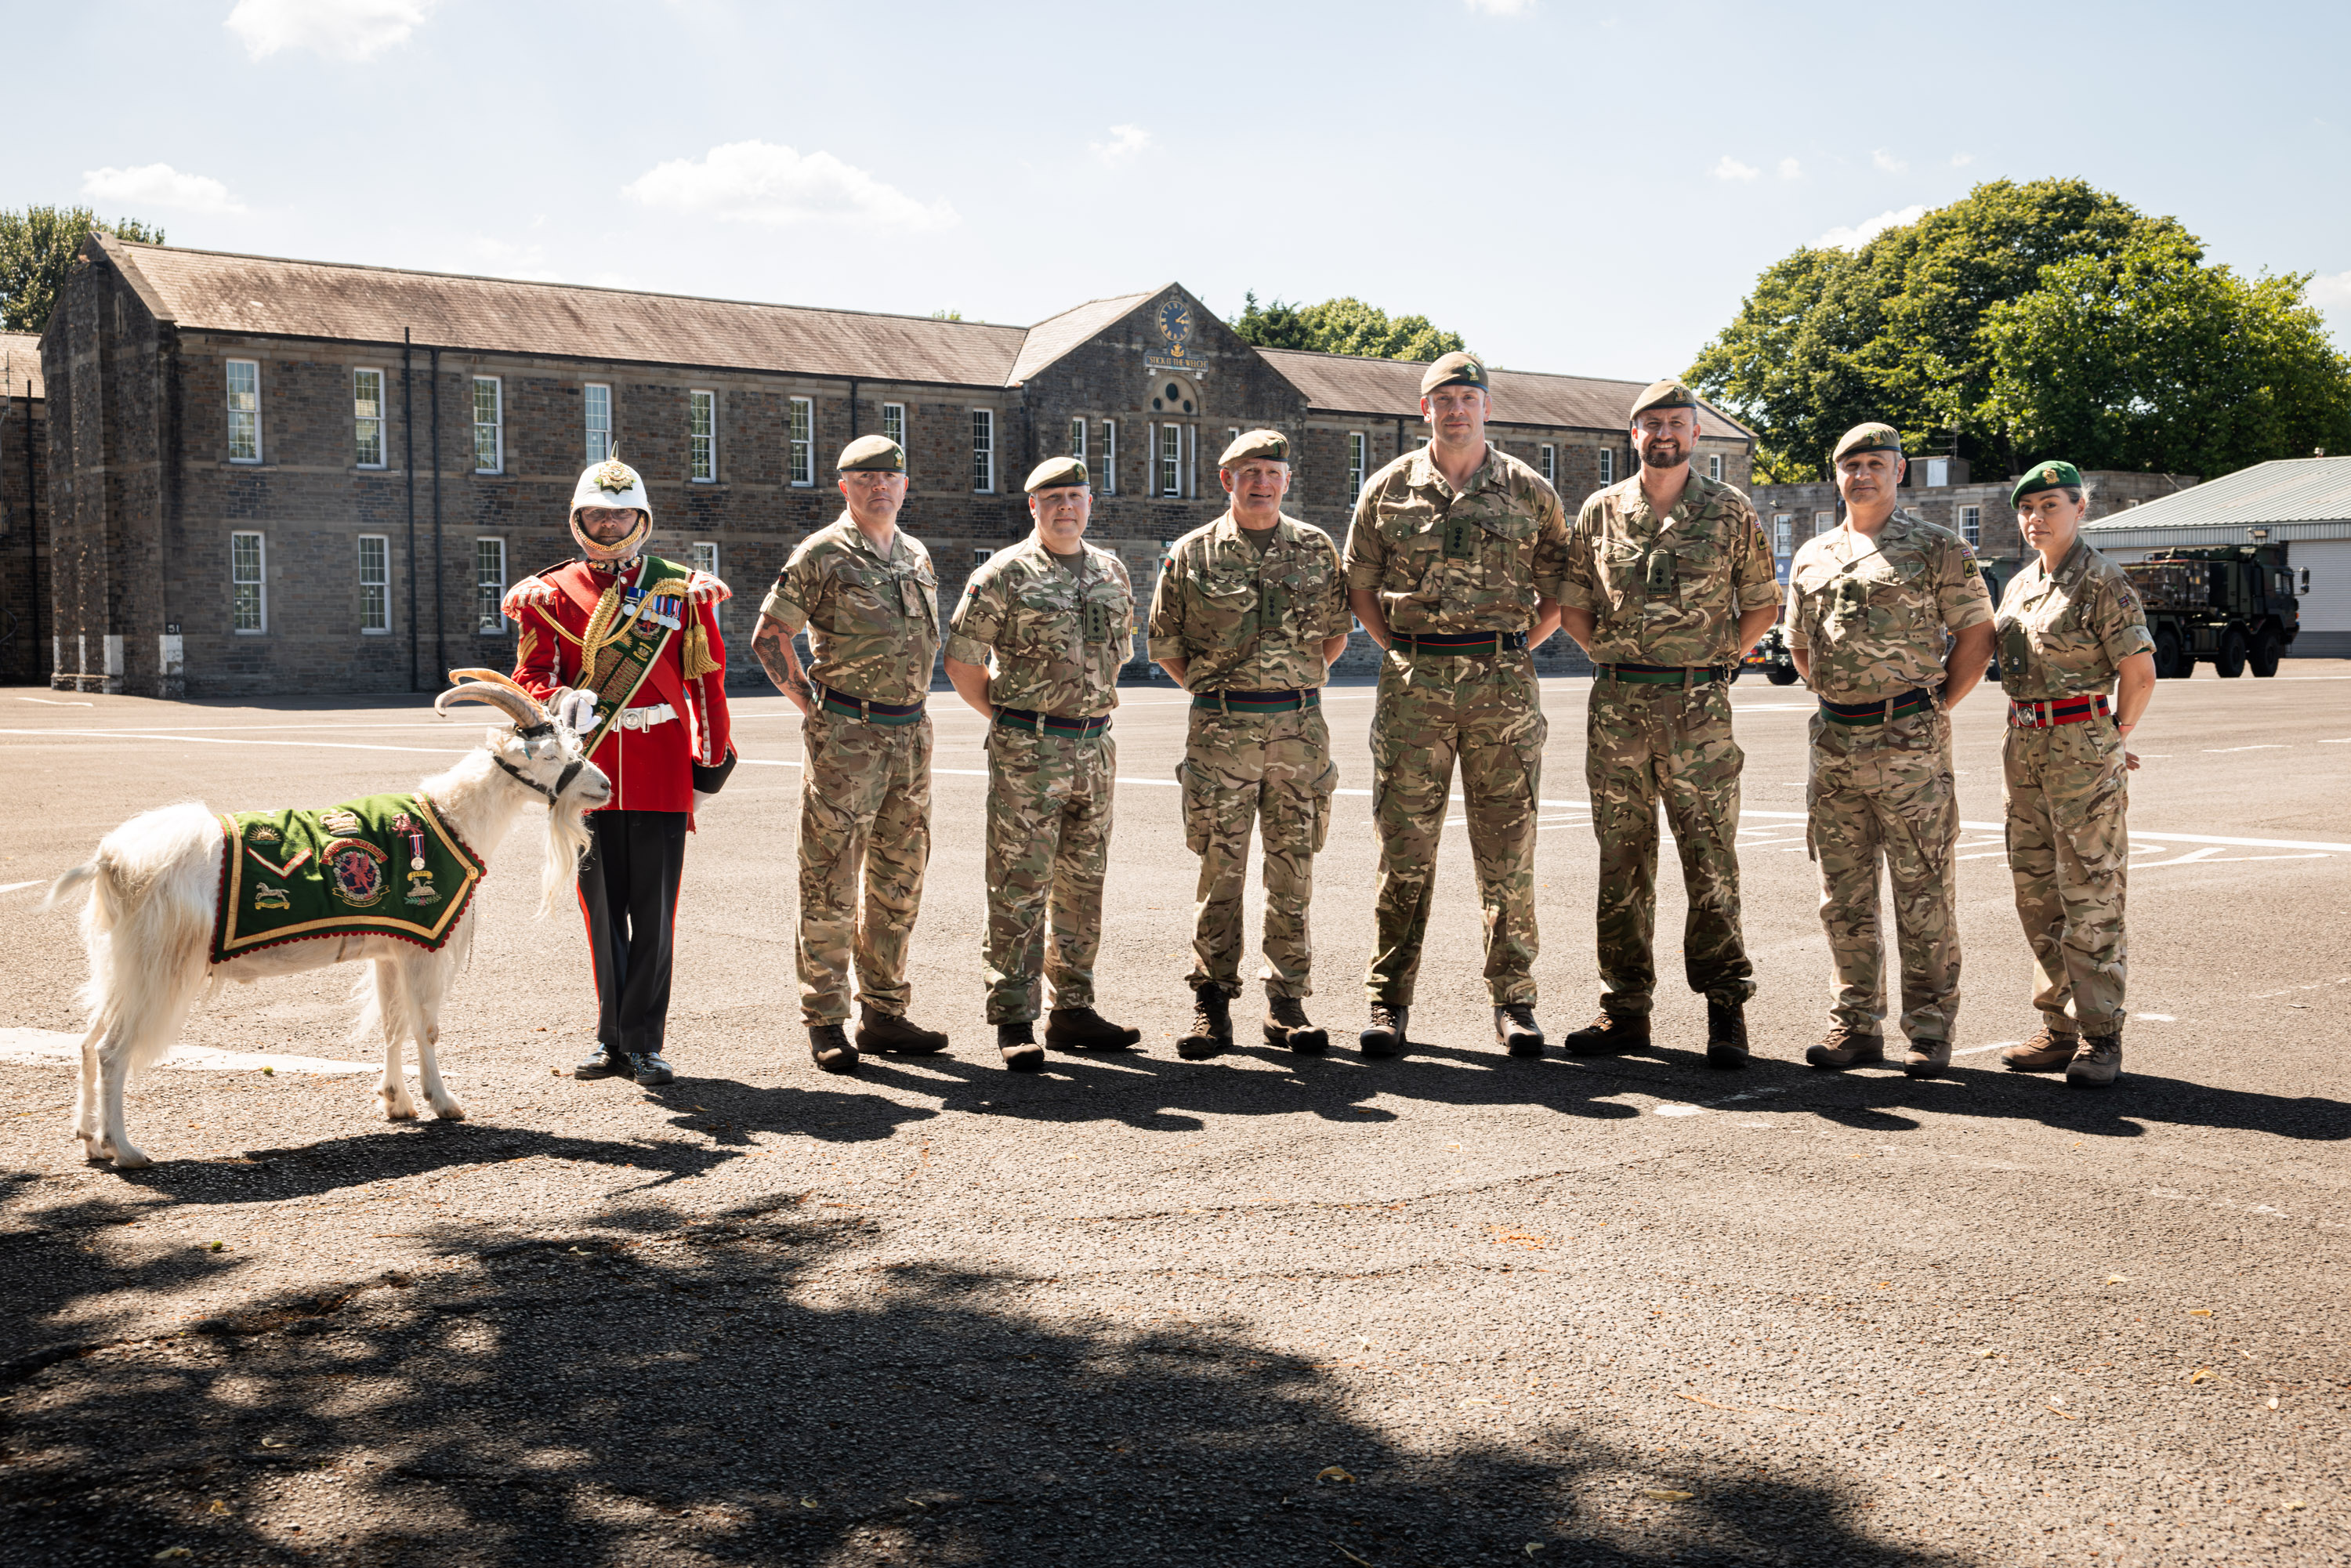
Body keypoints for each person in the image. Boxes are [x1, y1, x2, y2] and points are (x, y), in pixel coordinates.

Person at [1342, 351, 1568, 1059]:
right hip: (1414, 688)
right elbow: (1360, 585)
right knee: (1403, 848)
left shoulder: (1529, 491)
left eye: (1468, 398)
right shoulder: (1386, 490)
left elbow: (1561, 587)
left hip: (1502, 686)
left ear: (1487, 408)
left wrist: (1513, 645)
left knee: (1508, 850)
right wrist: (1400, 646)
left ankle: (1515, 1001)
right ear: (1425, 411)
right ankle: (1388, 999)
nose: (1457, 410)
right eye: (1444, 399)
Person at [1555, 378, 1777, 1067]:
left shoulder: (1730, 510)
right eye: (1652, 424)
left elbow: (1762, 606)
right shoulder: (1600, 511)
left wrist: (1712, 664)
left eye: (1677, 423)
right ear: (1633, 434)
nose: (1665, 434)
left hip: (1698, 710)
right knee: (1621, 863)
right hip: (1618, 708)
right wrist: (1619, 661)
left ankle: (1725, 1010)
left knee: (1710, 860)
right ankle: (1624, 1010)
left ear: (1696, 435)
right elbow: (1574, 608)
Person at [508, 455, 735, 1088]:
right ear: (579, 518)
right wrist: (558, 700)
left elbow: (707, 683)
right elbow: (530, 675)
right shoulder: (549, 593)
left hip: (662, 768)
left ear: (642, 517)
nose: (610, 524)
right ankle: (612, 1037)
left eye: (621, 512)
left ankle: (644, 1042)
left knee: (654, 913)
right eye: (598, 514)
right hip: (589, 769)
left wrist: (709, 762)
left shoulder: (682, 589)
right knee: (600, 910)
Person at [1784, 423, 1994, 1077]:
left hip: (1911, 744)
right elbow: (1798, 647)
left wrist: (1926, 710)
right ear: (1837, 475)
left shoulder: (1938, 548)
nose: (1863, 475)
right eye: (1851, 465)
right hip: (1836, 742)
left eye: (1876, 463)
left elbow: (1977, 637)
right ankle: (1855, 1024)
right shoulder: (1813, 554)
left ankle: (1929, 1029)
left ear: (1899, 472)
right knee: (1842, 894)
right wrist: (1846, 701)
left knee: (1922, 889)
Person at [1150, 429, 1354, 1059]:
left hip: (1298, 731)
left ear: (1286, 480)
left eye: (1270, 471)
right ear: (1225, 479)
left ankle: (1287, 1005)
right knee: (1221, 871)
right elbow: (1167, 646)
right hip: (1220, 734)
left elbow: (1333, 638)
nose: (1260, 481)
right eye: (1247, 471)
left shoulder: (1317, 550)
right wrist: (1225, 697)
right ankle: (1211, 1004)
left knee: (1293, 871)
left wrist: (1282, 691)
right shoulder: (1192, 554)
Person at [753, 435, 950, 1075]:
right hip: (849, 737)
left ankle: (885, 1013)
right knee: (830, 878)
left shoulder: (916, 552)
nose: (878, 488)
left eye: (889, 478)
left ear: (904, 484)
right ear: (845, 487)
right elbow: (769, 635)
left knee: (899, 879)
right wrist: (814, 708)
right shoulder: (823, 553)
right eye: (864, 479)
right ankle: (826, 1018)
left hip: (911, 736)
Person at [944, 456, 1143, 1070]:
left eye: (1075, 495)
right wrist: (1012, 721)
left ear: (1091, 502)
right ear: (1032, 506)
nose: (1065, 506)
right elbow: (962, 662)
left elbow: (1121, 653)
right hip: (1030, 750)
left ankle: (1073, 1008)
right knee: (1019, 885)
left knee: (1084, 884)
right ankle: (1014, 1016)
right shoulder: (1003, 574)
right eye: (1052, 497)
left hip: (1096, 746)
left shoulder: (1111, 571)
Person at [1993, 461, 2157, 1088]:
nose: (2036, 518)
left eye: (2050, 506)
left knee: (2091, 890)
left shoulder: (2102, 581)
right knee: (2036, 891)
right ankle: (2058, 1028)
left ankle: (2101, 1036)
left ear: (2080, 508)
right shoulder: (2020, 584)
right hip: (2026, 744)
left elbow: (2138, 674)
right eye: (2027, 508)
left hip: (2080, 745)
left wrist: (2113, 739)